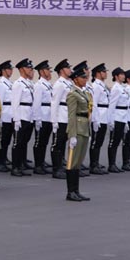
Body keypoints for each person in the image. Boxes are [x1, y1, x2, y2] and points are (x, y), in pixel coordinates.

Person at [65, 66, 94, 202]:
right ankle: (70, 192)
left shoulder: (85, 93)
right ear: (75, 79)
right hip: (77, 129)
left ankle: (76, 190)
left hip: (84, 129)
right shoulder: (72, 94)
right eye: (83, 77)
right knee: (72, 162)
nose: (85, 79)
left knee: (78, 162)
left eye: (86, 77)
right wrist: (72, 135)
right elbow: (71, 116)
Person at [9, 59, 36, 177]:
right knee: (17, 143)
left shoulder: (29, 83)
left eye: (31, 68)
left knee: (24, 142)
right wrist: (16, 119)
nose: (31, 70)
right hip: (21, 115)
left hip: (28, 115)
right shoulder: (18, 84)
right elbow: (15, 102)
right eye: (28, 67)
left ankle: (20, 165)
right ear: (21, 69)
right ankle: (15, 167)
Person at [50, 59, 73, 179]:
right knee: (57, 144)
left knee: (63, 143)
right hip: (60, 117)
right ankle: (56, 169)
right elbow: (55, 103)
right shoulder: (59, 84)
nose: (70, 70)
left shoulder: (68, 83)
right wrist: (54, 121)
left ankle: (60, 166)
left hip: (67, 117)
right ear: (62, 70)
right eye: (68, 68)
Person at [32, 61, 55, 174]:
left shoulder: (49, 84)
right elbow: (36, 103)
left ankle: (42, 162)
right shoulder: (39, 85)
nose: (49, 72)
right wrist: (37, 119)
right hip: (42, 115)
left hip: (49, 116)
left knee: (45, 141)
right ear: (41, 72)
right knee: (39, 142)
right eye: (47, 70)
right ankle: (38, 165)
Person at [88, 63, 111, 174]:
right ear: (98, 73)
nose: (106, 73)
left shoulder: (102, 85)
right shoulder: (96, 86)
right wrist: (95, 119)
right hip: (98, 116)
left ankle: (96, 162)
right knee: (95, 141)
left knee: (100, 141)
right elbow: (94, 103)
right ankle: (93, 164)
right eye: (103, 71)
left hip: (104, 116)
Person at [107, 68, 130, 172]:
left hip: (122, 117)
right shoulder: (116, 88)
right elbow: (112, 105)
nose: (123, 76)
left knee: (118, 141)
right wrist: (111, 120)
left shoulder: (122, 87)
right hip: (116, 117)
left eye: (123, 74)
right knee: (114, 141)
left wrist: (125, 121)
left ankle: (114, 163)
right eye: (121, 74)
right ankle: (111, 164)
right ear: (116, 76)